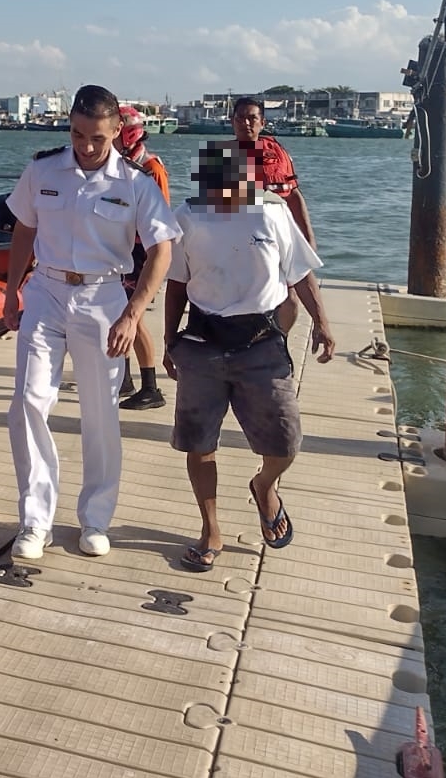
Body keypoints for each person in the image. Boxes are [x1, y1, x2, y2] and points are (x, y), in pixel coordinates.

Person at [2, 85, 180, 561]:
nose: (85, 146)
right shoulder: (43, 170)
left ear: (117, 131)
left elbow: (162, 250)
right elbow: (24, 228)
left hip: (103, 296)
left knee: (100, 413)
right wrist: (11, 290)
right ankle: (35, 520)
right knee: (27, 401)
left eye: (96, 138)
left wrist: (133, 313)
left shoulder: (137, 183)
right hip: (46, 291)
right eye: (78, 134)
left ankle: (96, 519)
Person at [162, 143, 336, 573]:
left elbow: (300, 272)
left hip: (261, 341)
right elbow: (177, 285)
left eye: (232, 189)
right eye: (214, 189)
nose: (223, 198)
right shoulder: (186, 217)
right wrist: (170, 341)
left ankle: (265, 484)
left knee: (286, 439)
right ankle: (210, 530)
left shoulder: (272, 213)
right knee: (199, 444)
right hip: (204, 342)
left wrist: (323, 322)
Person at [226, 96, 316, 332]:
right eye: (240, 118)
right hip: (239, 242)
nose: (246, 123)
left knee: (290, 299)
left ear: (262, 122)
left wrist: (308, 237)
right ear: (232, 122)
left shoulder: (277, 152)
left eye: (252, 118)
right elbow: (205, 211)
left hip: (279, 237)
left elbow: (294, 195)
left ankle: (278, 342)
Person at [115, 105, 172, 411]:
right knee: (116, 313)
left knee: (132, 316)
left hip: (141, 253)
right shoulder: (122, 164)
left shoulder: (151, 168)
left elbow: (160, 220)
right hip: (121, 249)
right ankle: (124, 379)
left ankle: (151, 386)